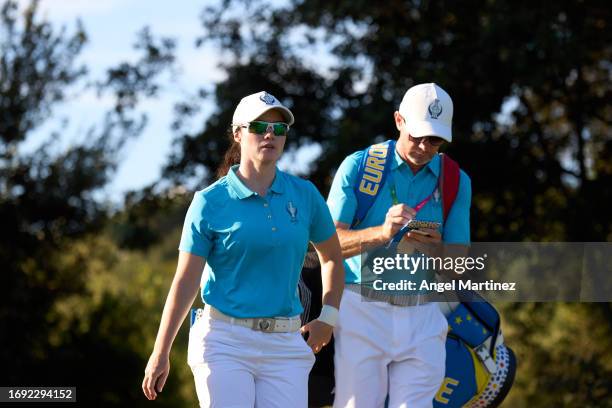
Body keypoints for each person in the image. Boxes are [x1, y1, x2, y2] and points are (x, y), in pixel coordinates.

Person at [142, 91, 345, 407]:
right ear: (238, 133)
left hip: (286, 344)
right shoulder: (209, 202)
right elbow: (185, 282)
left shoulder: (304, 194)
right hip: (225, 342)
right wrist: (161, 351)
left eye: (279, 129)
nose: (270, 135)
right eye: (259, 127)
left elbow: (331, 257)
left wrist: (328, 317)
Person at [326, 83, 471, 408]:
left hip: (424, 312)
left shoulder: (456, 180)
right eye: (417, 134)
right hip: (362, 308)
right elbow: (327, 245)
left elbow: (458, 267)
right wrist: (380, 233)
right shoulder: (360, 166)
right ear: (399, 121)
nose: (423, 146)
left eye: (433, 139)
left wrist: (436, 249)